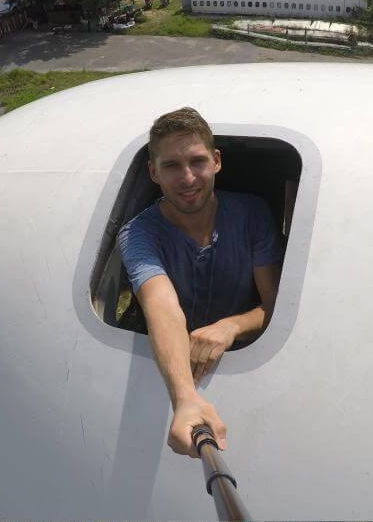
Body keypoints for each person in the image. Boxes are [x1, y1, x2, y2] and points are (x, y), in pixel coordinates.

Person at [118, 107, 282, 457]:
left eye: (197, 161)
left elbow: (275, 307)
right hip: (174, 368)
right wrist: (185, 397)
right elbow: (161, 306)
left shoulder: (253, 215)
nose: (188, 178)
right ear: (153, 172)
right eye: (172, 166)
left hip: (240, 362)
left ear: (217, 161)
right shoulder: (139, 234)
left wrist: (231, 326)